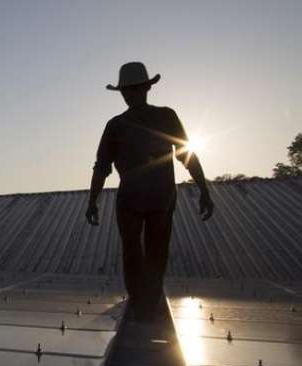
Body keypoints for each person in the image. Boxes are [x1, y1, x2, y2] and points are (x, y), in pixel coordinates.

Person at [86, 62, 214, 321]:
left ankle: (147, 303)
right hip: (139, 199)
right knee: (138, 251)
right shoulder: (118, 125)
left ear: (145, 89)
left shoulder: (161, 117)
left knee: (152, 250)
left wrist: (204, 190)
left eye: (132, 89)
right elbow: (102, 166)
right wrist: (92, 201)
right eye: (126, 90)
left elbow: (186, 155)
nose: (128, 94)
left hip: (156, 199)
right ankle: (142, 302)